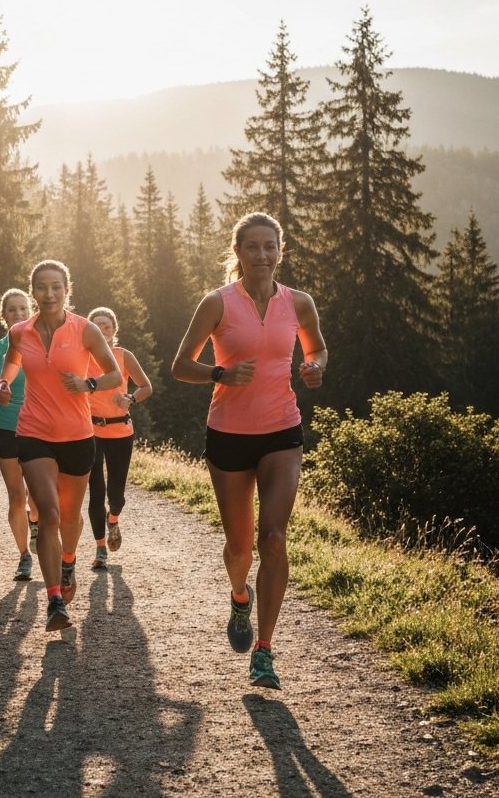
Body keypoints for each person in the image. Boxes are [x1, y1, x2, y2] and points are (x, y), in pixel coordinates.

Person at [172, 212, 327, 690]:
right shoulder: (217, 303)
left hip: (283, 429)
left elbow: (318, 348)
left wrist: (315, 367)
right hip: (229, 433)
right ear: (237, 253)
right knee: (239, 546)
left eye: (270, 246)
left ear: (280, 251)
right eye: (252, 247)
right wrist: (220, 374)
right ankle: (239, 596)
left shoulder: (298, 303)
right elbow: (180, 366)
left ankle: (264, 651)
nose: (262, 254)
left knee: (273, 538)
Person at [0, 260, 122, 631]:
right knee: (47, 514)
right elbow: (11, 367)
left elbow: (112, 373)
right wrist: (2, 388)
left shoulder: (84, 330)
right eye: (41, 288)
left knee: (69, 515)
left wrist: (89, 386)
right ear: (32, 292)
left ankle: (68, 561)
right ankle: (53, 601)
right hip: (33, 432)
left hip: (78, 435)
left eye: (55, 287)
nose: (48, 294)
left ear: (67, 289)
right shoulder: (21, 332)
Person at [0, 288, 41, 581]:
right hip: (5, 427)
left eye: (23, 308)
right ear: (3, 315)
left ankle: (37, 523)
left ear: (31, 311)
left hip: (40, 428)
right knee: (17, 497)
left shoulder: (43, 343)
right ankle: (24, 556)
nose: (19, 313)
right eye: (12, 309)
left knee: (38, 498)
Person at [85, 307, 153, 570]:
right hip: (89, 432)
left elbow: (146, 386)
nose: (103, 330)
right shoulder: (81, 357)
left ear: (114, 330)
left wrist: (130, 399)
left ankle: (113, 519)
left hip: (120, 432)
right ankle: (100, 548)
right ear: (90, 331)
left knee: (116, 494)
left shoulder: (124, 356)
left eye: (107, 326)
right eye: (97, 326)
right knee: (95, 492)